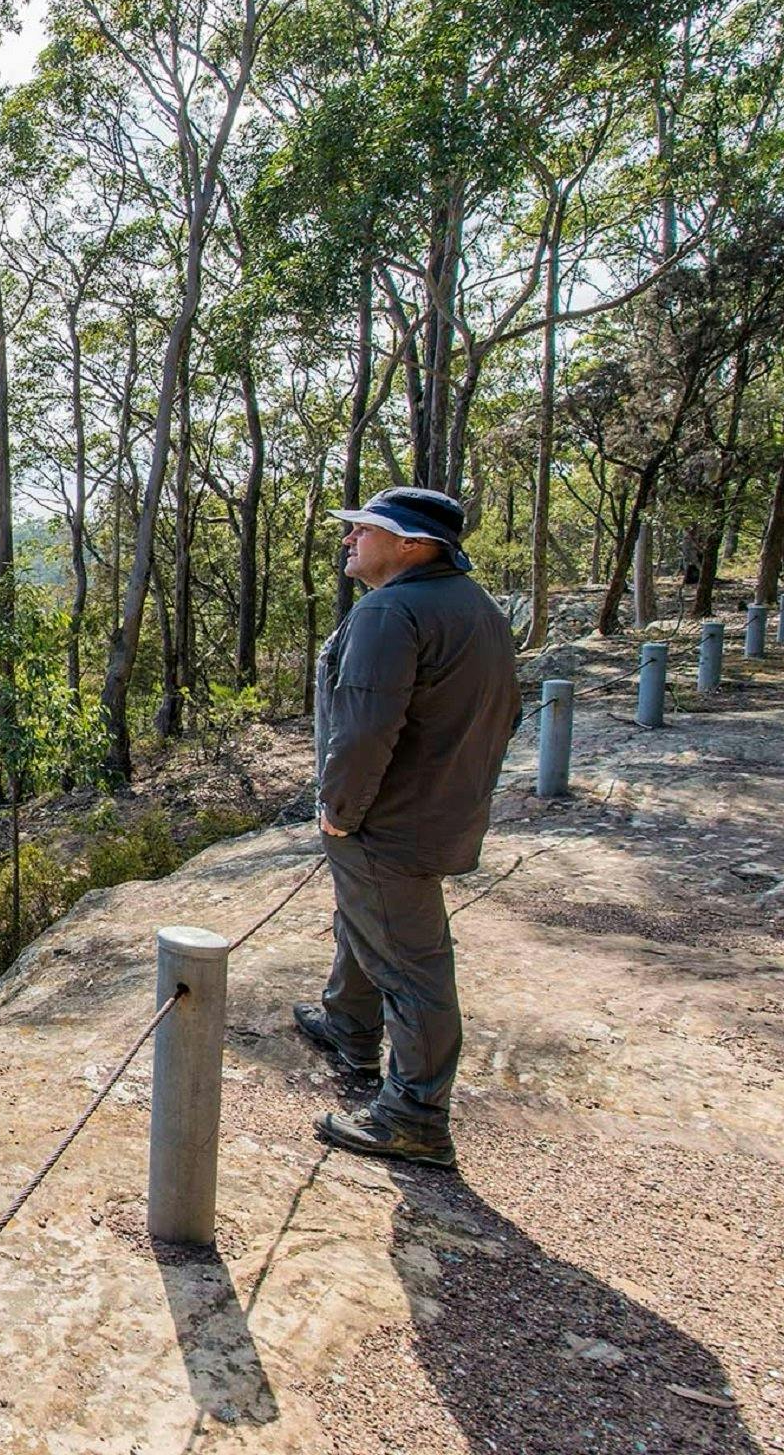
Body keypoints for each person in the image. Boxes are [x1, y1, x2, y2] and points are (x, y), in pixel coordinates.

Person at [299, 486, 521, 1168]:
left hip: (387, 819)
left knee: (411, 963)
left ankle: (414, 1117)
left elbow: (364, 730)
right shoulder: (475, 607)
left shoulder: (389, 612)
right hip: (440, 809)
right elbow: (508, 713)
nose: (349, 540)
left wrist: (340, 809)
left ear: (412, 544)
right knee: (368, 922)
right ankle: (348, 1025)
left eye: (364, 530)